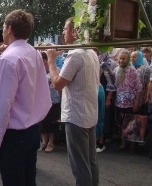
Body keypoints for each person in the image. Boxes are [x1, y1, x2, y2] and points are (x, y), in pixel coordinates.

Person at [0, 10, 51, 186]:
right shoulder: (34, 53)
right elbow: (42, 94)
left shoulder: (8, 59)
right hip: (32, 130)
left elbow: (2, 105)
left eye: (3, 26)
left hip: (14, 135)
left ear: (9, 29)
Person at [47, 17, 100, 186]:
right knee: (90, 162)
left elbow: (57, 84)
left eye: (65, 29)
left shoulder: (76, 55)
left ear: (75, 31)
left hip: (76, 117)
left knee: (80, 166)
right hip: (89, 115)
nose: (63, 32)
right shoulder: (91, 53)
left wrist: (51, 60)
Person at [108, 49, 142, 153]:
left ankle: (132, 145)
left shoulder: (132, 71)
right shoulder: (116, 70)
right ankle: (123, 144)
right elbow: (112, 86)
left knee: (132, 124)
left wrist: (137, 102)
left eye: (124, 59)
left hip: (131, 102)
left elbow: (139, 88)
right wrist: (110, 99)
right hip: (119, 102)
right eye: (120, 58)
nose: (121, 61)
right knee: (122, 124)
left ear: (127, 60)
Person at [39, 51, 61, 153]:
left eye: (44, 61)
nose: (43, 63)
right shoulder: (38, 72)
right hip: (42, 100)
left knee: (51, 121)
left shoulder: (56, 71)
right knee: (43, 121)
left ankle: (51, 142)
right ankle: (44, 140)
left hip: (54, 100)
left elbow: (60, 88)